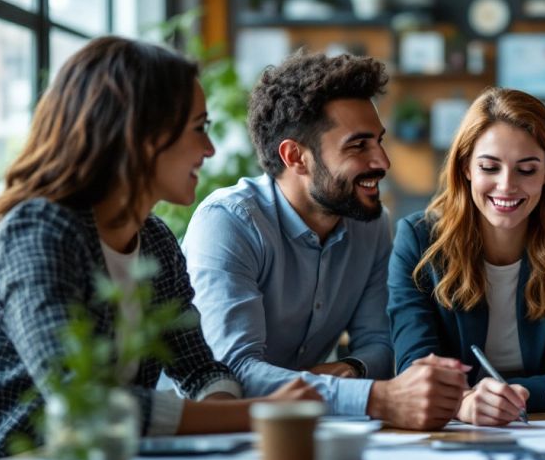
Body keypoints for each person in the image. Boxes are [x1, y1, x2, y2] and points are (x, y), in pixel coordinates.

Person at [0, 36, 316, 457]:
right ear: (142, 134)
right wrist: (257, 414)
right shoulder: (39, 229)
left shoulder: (155, 241)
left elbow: (198, 368)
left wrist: (229, 421)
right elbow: (82, 403)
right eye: (199, 127)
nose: (210, 149)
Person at [182, 51, 468, 430]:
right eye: (358, 145)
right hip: (201, 439)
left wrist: (351, 368)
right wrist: (376, 398)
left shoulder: (371, 224)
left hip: (304, 429)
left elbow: (381, 344)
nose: (382, 161)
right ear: (295, 156)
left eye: (379, 142)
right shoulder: (229, 224)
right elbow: (234, 372)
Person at [389, 88, 545, 426]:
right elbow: (415, 370)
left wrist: (493, 395)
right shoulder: (419, 239)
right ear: (466, 167)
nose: (507, 185)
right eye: (489, 167)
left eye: (526, 170)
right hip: (454, 430)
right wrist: (464, 405)